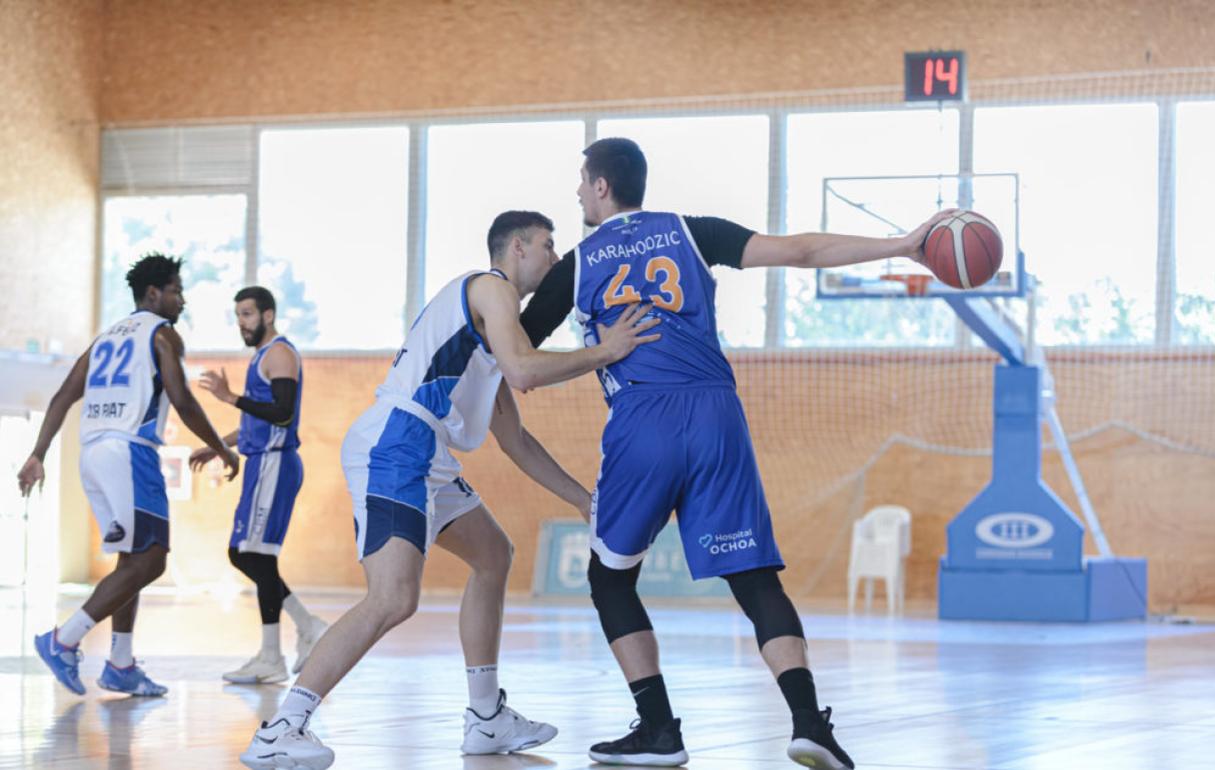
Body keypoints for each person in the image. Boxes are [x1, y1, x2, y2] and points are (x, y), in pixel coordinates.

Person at [519, 138, 951, 770]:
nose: (579, 194)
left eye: (583, 183)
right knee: (753, 580)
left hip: (644, 417)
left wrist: (538, 319)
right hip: (717, 414)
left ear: (603, 187)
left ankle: (658, 727)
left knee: (609, 578)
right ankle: (809, 724)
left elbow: (518, 358)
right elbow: (803, 250)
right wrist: (901, 246)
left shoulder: (578, 264)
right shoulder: (695, 233)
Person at [240, 210, 661, 770]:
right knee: (393, 598)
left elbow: (515, 440)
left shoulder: (488, 342)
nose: (554, 258)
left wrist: (583, 499)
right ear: (516, 247)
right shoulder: (489, 288)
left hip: (424, 450)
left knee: (493, 555)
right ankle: (282, 727)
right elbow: (527, 371)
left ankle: (486, 718)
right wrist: (606, 352)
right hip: (396, 441)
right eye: (547, 245)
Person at [18, 252, 239, 698]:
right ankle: (64, 640)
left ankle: (120, 663)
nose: (183, 300)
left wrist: (38, 453)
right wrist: (221, 448)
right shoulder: (163, 334)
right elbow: (183, 400)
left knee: (132, 558)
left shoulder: (104, 339)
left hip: (93, 452)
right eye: (177, 290)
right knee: (153, 557)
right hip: (130, 451)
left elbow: (63, 395)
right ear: (153, 293)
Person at [189, 286, 328, 685]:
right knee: (246, 554)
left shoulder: (280, 354)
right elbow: (259, 420)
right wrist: (218, 446)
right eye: (238, 316)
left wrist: (229, 397)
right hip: (261, 463)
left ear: (268, 315)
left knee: (252, 555)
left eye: (248, 314)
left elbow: (282, 414)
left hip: (275, 463)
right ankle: (302, 630)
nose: (242, 323)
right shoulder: (262, 359)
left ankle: (279, 650)